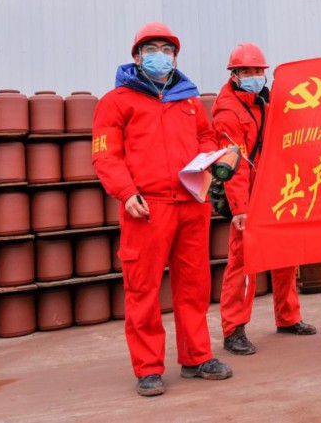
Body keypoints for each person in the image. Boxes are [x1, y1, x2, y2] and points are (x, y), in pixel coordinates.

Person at [92, 22, 233, 396]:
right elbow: (105, 155)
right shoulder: (116, 101)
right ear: (137, 57)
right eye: (152, 49)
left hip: (191, 203)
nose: (161, 56)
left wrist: (208, 161)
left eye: (167, 50)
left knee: (194, 286)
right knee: (143, 289)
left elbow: (206, 136)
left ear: (175, 57)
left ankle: (197, 357)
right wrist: (126, 193)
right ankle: (149, 368)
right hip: (146, 207)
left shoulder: (189, 100)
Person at [211, 42, 316, 356]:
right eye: (247, 71)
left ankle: (288, 316)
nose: (255, 76)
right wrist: (240, 208)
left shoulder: (265, 103)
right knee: (243, 263)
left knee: (285, 253)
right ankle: (234, 330)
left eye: (258, 71)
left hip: (273, 189)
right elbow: (234, 163)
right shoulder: (228, 112)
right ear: (234, 74)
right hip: (247, 194)